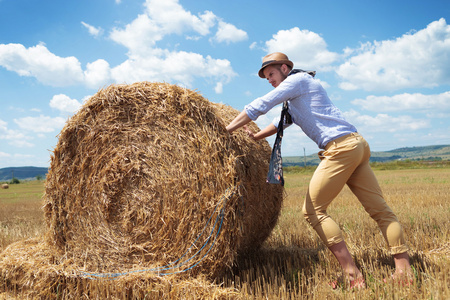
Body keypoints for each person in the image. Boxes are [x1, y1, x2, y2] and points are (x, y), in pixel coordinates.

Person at [226, 52, 412, 288]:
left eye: (271, 74)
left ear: (284, 68)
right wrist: (257, 136)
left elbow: (261, 104)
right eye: (266, 77)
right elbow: (280, 121)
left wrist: (225, 129)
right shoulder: (297, 96)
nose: (269, 80)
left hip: (341, 148)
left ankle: (352, 275)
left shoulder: (298, 80)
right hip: (356, 144)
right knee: (381, 211)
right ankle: (404, 272)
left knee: (313, 211)